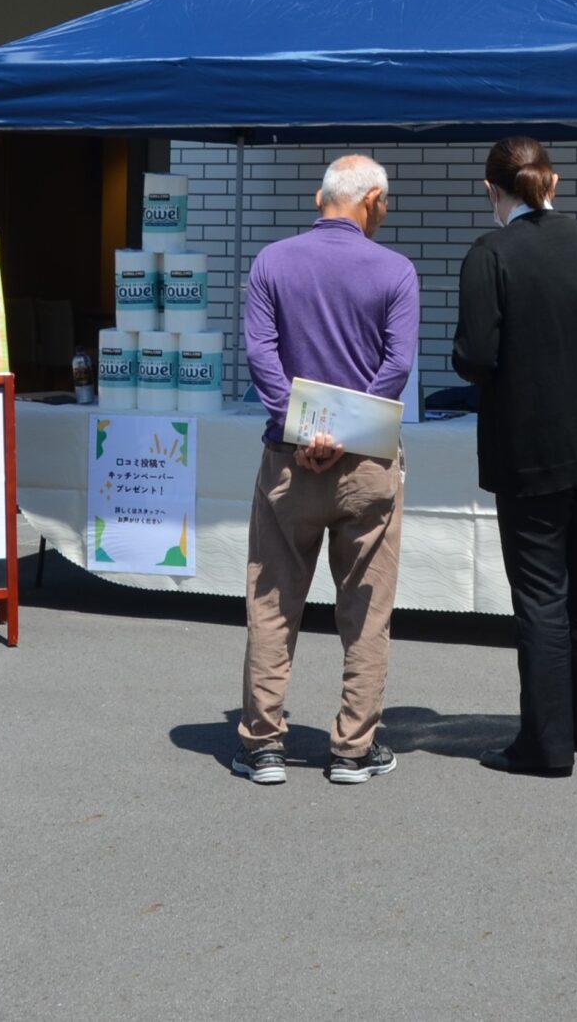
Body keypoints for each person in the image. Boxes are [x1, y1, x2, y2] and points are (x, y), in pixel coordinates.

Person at [233, 154, 419, 787]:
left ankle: (263, 744)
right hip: (366, 463)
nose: (385, 214)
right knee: (365, 609)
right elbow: (396, 366)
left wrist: (302, 427)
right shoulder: (395, 270)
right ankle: (352, 749)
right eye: (385, 204)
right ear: (369, 199)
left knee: (273, 600)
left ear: (320, 198)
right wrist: (341, 436)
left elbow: (260, 352)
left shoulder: (271, 263)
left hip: (288, 463)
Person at [453, 136, 577, 778]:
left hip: (529, 448)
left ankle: (547, 745)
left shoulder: (490, 254)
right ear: (550, 182)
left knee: (542, 596)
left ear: (491, 188)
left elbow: (474, 356)